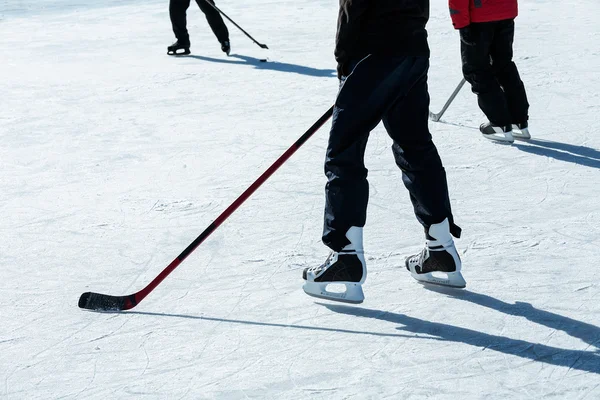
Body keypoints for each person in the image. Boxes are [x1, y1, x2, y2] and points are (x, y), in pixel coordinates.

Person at [301, 0, 466, 304]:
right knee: (414, 146)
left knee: (344, 151)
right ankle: (440, 248)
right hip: (412, 49)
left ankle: (346, 257)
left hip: (374, 53)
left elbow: (353, 5)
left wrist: (345, 62)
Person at [449, 0, 531, 143]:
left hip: (479, 18)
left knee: (477, 69)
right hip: (505, 12)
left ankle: (500, 124)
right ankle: (518, 121)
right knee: (503, 66)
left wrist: (461, 23)